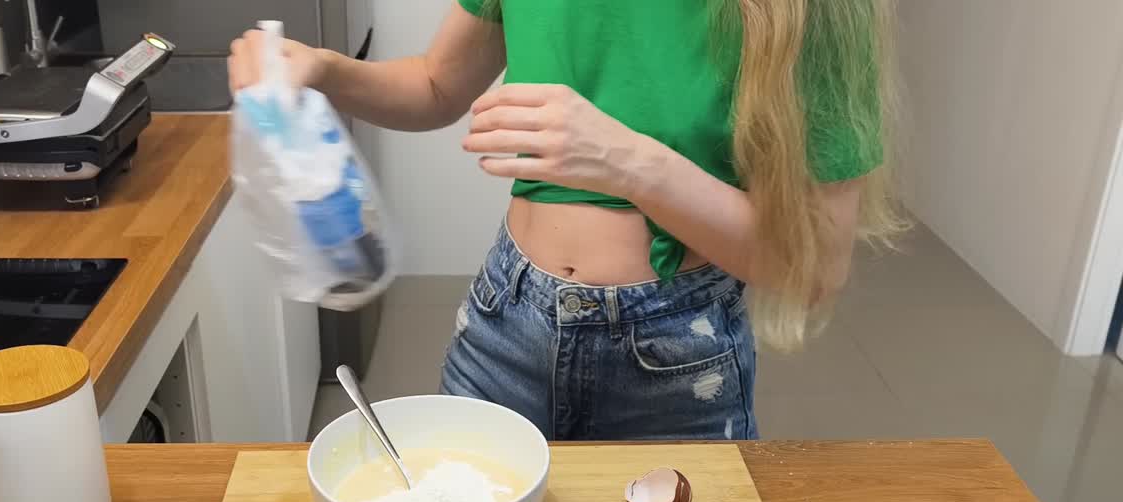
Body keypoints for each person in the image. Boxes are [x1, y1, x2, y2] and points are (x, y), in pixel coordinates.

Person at [228, 1, 904, 441]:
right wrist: (321, 69)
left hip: (675, 354)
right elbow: (438, 84)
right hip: (505, 325)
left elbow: (813, 265)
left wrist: (626, 160)